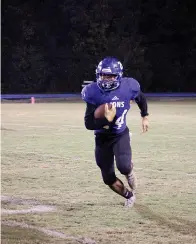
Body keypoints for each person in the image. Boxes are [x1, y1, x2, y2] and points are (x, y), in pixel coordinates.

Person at [81, 57, 149, 207]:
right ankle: (128, 195)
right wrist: (105, 119)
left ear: (118, 76)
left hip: (120, 134)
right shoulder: (93, 92)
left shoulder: (129, 86)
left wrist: (144, 115)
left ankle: (129, 171)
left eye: (110, 75)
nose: (106, 79)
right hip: (102, 137)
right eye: (103, 75)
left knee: (123, 166)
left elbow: (140, 97)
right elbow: (88, 123)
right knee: (108, 178)